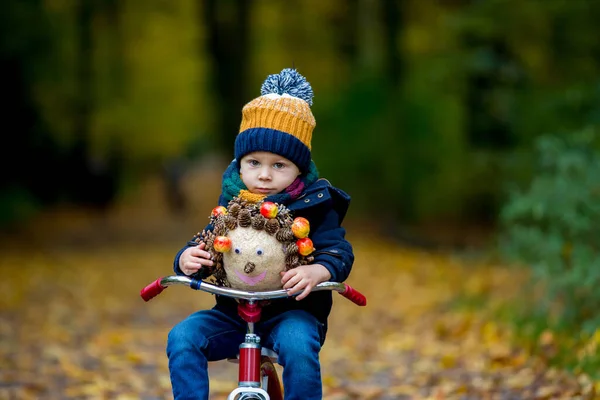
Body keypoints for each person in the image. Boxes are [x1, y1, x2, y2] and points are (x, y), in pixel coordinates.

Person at [166, 68, 354, 400]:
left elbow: (337, 249)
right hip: (233, 313)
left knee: (299, 346)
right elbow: (208, 241)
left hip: (291, 312)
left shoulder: (314, 203)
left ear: (299, 168)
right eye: (254, 163)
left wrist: (319, 269)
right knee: (183, 338)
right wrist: (186, 259)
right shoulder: (233, 201)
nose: (264, 176)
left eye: (279, 165)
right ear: (240, 164)